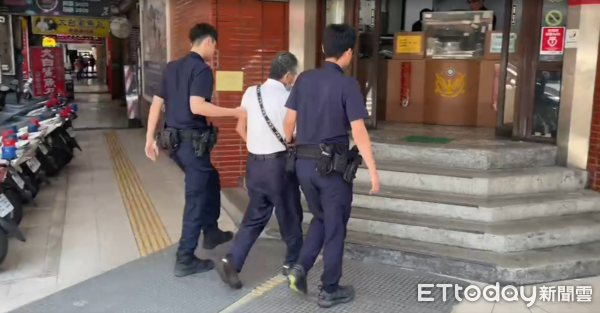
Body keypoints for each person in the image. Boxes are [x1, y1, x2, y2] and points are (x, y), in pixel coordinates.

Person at [283, 24, 379, 308]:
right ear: (348, 52)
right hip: (332, 169)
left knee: (322, 218)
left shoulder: (303, 79)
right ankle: (329, 289)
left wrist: (290, 145)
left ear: (324, 49)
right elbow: (358, 131)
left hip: (303, 164)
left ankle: (300, 268)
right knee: (335, 226)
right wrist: (372, 170)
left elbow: (289, 123)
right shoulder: (347, 84)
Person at [144, 23, 246, 277]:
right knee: (196, 197)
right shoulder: (202, 69)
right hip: (192, 144)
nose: (215, 50)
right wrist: (235, 112)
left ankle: (210, 232)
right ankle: (185, 257)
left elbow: (156, 105)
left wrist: (149, 139)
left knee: (210, 177)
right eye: (215, 45)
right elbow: (198, 106)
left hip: (174, 145)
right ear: (209, 42)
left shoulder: (172, 67)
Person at [217, 51, 304, 289]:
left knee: (254, 217)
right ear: (287, 75)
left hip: (254, 165)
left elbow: (239, 127)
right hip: (279, 167)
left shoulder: (251, 92)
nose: (294, 79)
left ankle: (232, 261)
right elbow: (292, 137)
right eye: (294, 75)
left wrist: (257, 146)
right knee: (290, 215)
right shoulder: (289, 98)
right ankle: (292, 264)